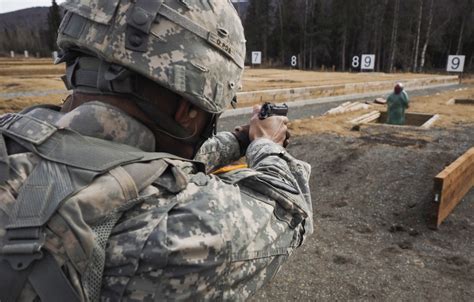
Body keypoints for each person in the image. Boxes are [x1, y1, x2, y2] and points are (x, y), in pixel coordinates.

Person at [0, 1, 312, 301]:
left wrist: (240, 140)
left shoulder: (19, 137)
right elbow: (288, 210)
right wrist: (266, 146)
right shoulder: (173, 225)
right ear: (187, 111)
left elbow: (134, 161)